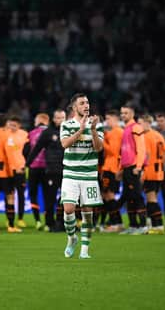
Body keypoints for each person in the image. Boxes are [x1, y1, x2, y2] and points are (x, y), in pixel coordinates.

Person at [60, 93, 103, 259]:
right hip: (70, 174)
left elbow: (99, 148)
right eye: (82, 103)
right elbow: (65, 144)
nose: (86, 105)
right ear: (74, 107)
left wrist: (92, 130)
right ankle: (72, 238)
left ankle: (85, 251)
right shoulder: (66, 124)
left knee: (87, 213)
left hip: (89, 175)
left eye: (87, 102)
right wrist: (80, 130)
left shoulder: (97, 125)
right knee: (68, 209)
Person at [26, 109, 66, 232]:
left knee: (66, 198)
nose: (59, 120)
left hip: (67, 170)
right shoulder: (48, 133)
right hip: (52, 170)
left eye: (62, 118)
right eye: (57, 118)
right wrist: (27, 164)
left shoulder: (70, 131)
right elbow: (37, 149)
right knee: (50, 198)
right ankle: (50, 223)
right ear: (53, 119)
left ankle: (62, 222)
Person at [116, 105, 147, 234]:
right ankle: (133, 225)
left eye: (126, 113)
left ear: (132, 114)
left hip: (134, 167)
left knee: (137, 196)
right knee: (129, 197)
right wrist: (121, 169)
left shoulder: (136, 127)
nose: (123, 115)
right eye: (122, 113)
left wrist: (139, 166)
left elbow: (141, 149)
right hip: (127, 168)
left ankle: (143, 226)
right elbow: (123, 152)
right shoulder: (126, 129)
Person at [139, 114, 165, 234]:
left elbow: (146, 155)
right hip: (158, 172)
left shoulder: (146, 137)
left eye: (140, 123)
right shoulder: (158, 135)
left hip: (149, 172)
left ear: (147, 123)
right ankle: (154, 224)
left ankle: (158, 226)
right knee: (152, 198)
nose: (139, 126)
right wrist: (160, 165)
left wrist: (141, 170)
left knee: (151, 199)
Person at [100, 109, 123, 232]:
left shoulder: (117, 132)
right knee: (106, 195)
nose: (106, 121)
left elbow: (113, 151)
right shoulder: (114, 132)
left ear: (115, 119)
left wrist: (102, 140)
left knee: (109, 195)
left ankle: (116, 223)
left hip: (112, 168)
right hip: (110, 167)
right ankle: (115, 222)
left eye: (108, 118)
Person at [26, 113, 49, 230]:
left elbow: (25, 150)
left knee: (33, 195)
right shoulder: (51, 133)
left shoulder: (31, 133)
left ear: (39, 120)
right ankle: (48, 222)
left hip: (33, 167)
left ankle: (38, 222)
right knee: (47, 196)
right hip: (47, 168)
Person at [6, 115, 29, 228]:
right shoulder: (5, 134)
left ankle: (20, 218)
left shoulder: (24, 135)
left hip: (20, 168)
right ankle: (9, 218)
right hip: (8, 169)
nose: (12, 127)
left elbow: (28, 152)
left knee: (21, 195)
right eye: (10, 125)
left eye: (14, 125)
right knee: (9, 195)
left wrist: (24, 165)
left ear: (19, 125)